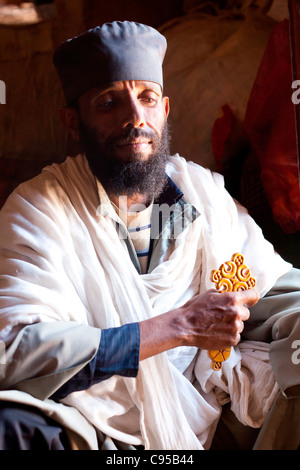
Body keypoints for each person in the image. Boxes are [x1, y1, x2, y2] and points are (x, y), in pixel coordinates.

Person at [0, 21, 299, 451]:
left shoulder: (203, 197)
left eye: (147, 99)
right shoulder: (39, 209)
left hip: (201, 416)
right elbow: (16, 347)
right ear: (73, 122)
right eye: (108, 103)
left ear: (165, 109)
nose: (135, 119)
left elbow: (271, 291)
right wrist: (177, 326)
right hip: (88, 422)